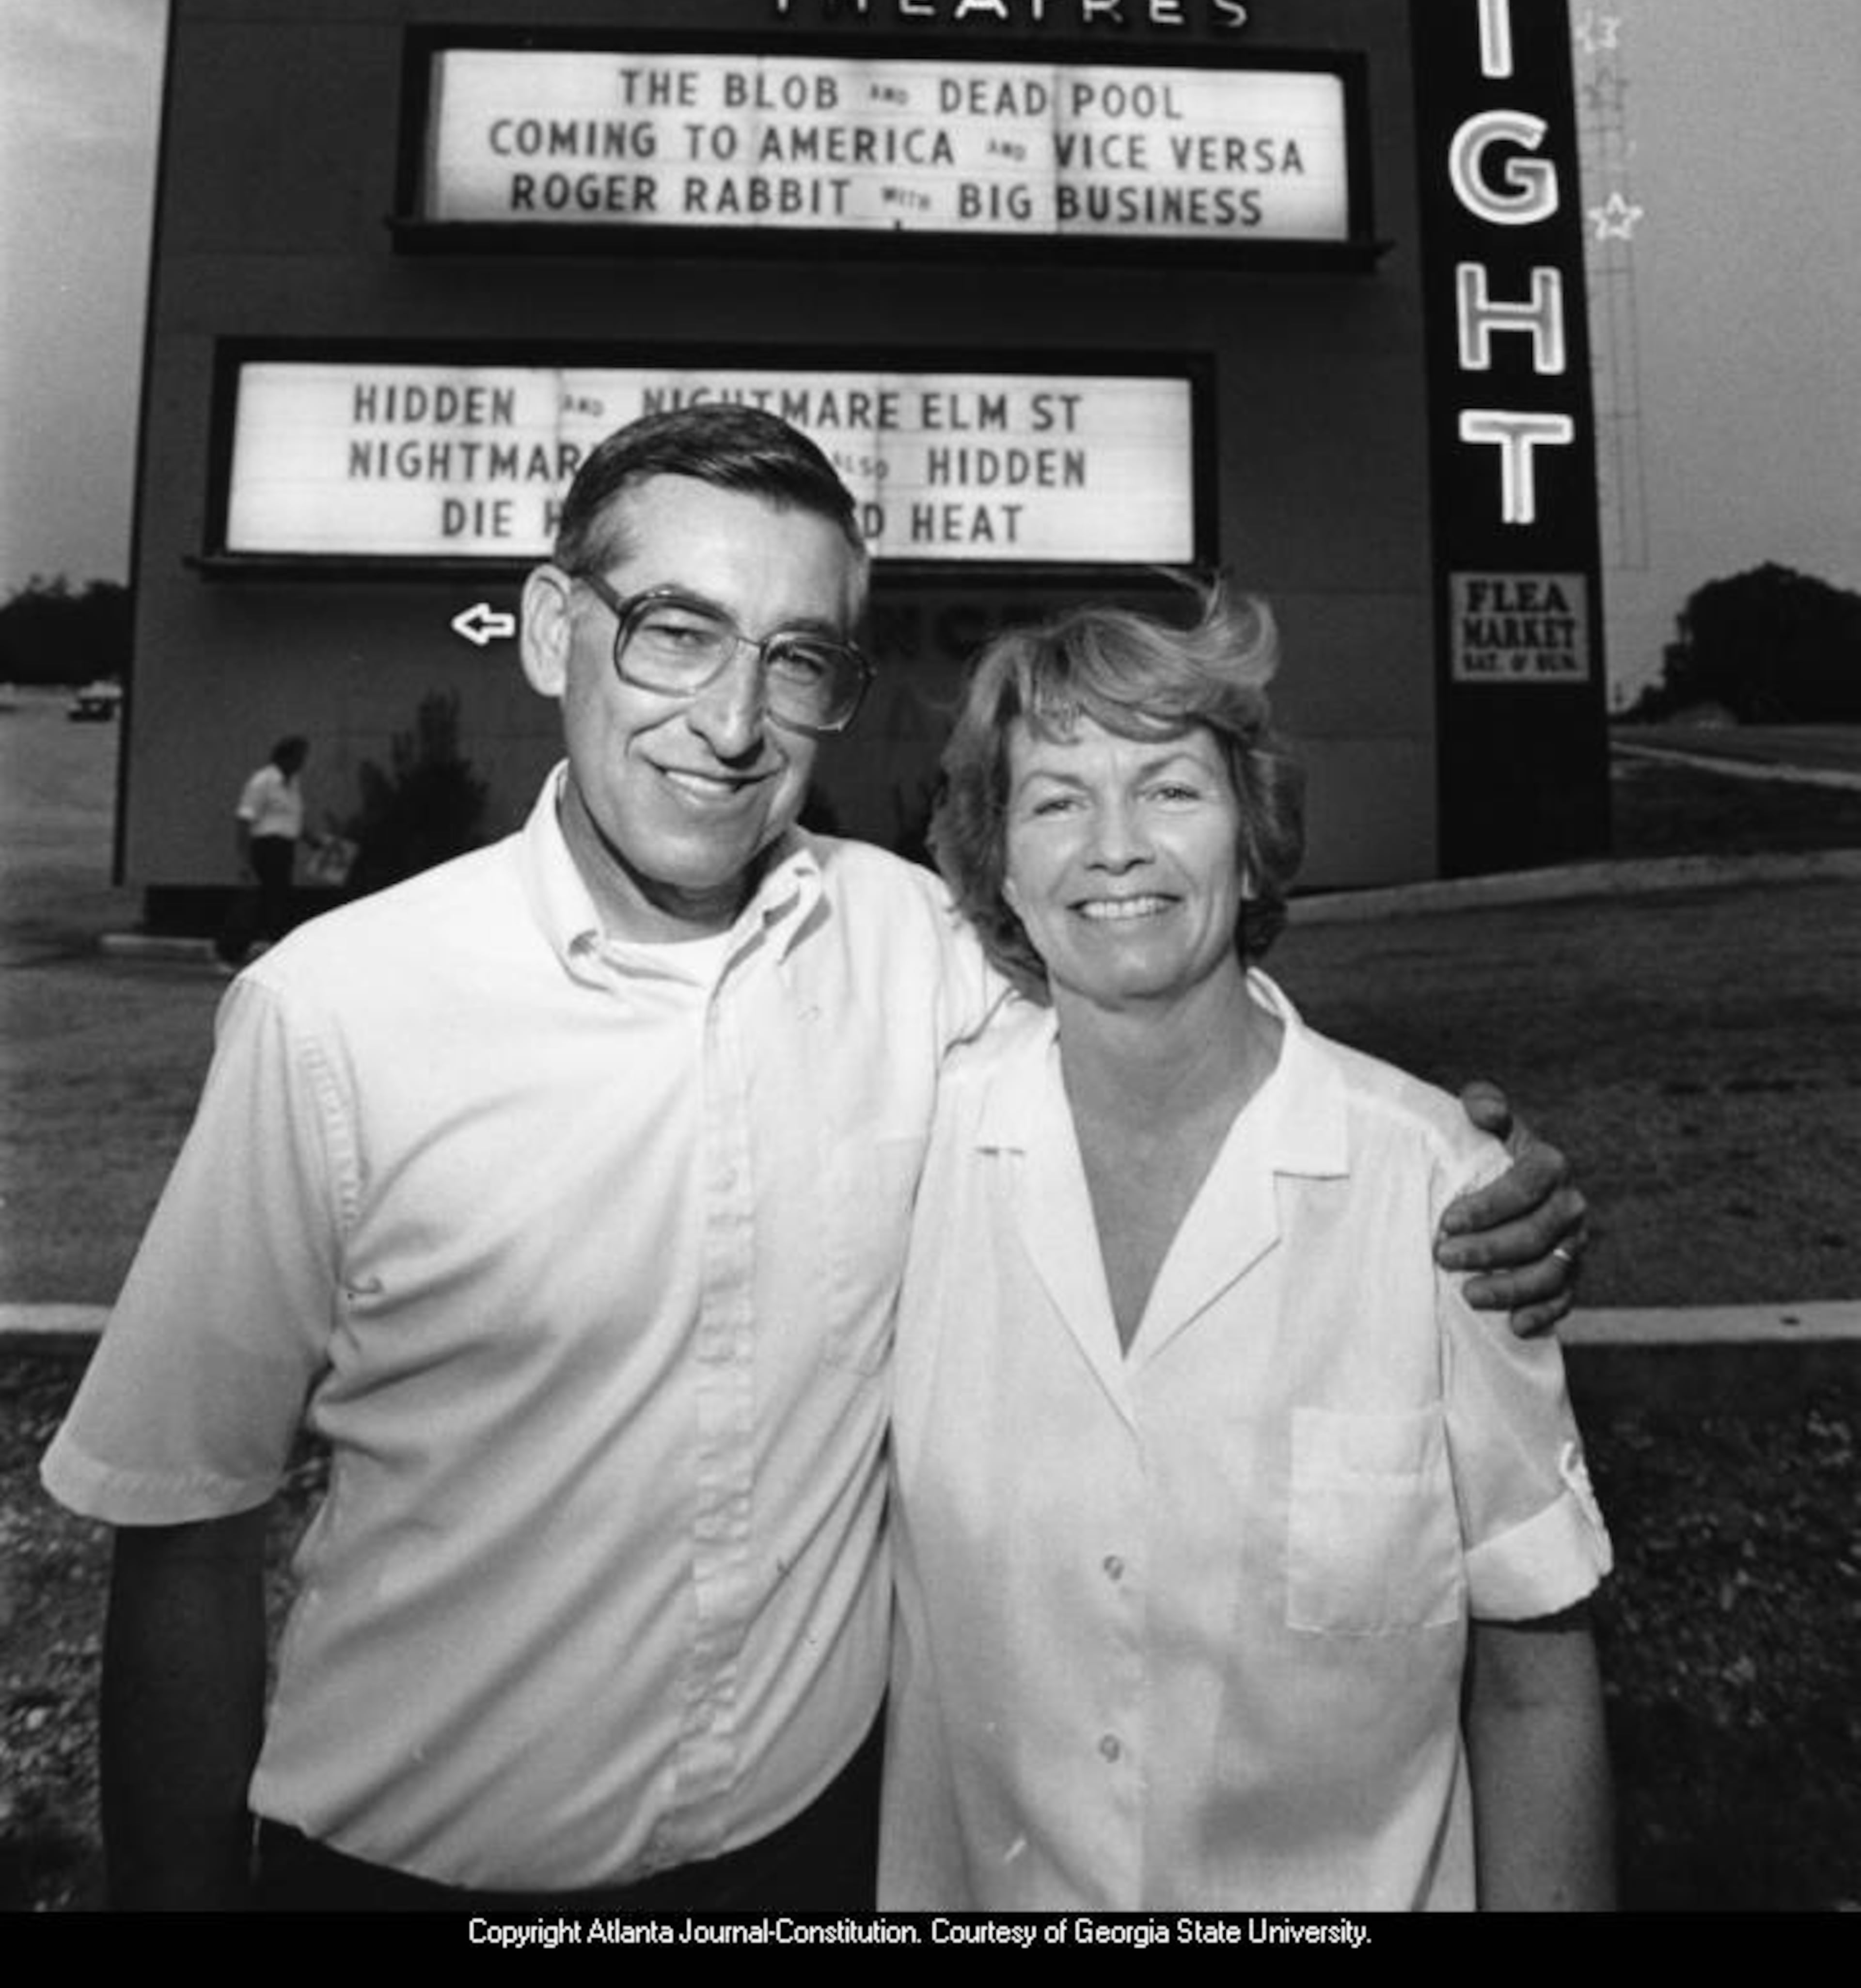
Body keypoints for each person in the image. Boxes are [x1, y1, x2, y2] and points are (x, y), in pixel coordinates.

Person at [43, 408, 1586, 1912]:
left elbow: (1155, 988)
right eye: (675, 630)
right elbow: (184, 1515)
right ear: (543, 630)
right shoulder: (332, 1013)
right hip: (406, 1875)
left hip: (813, 1863)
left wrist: (1450, 1167)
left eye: (796, 658)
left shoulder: (909, 945)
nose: (730, 721)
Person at [879, 589, 1614, 1912]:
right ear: (996, 864)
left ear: (1255, 837)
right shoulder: (916, 1159)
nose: (1115, 847)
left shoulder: (1438, 1185)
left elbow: (1537, 1674)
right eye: (1055, 799)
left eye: (1169, 787)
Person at [215, 735, 310, 968]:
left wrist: (311, 839)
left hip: (284, 849)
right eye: (299, 757)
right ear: (286, 757)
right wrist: (245, 861)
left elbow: (290, 818)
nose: (302, 763)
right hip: (266, 848)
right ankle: (228, 951)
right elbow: (245, 820)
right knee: (253, 901)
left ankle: (271, 951)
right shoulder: (263, 782)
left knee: (277, 901)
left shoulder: (293, 784)